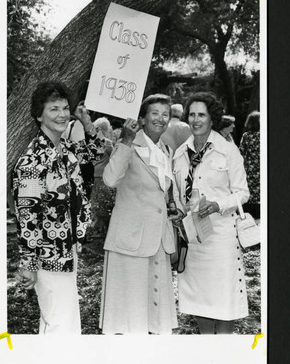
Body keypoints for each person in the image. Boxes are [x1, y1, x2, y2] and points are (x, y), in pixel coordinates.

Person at [12, 81, 105, 335]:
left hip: (68, 249)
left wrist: (86, 121)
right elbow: (27, 217)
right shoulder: (33, 160)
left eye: (65, 108)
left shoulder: (64, 150)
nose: (62, 114)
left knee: (56, 319)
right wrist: (28, 263)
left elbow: (98, 151)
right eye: (53, 109)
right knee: (61, 324)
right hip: (48, 256)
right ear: (38, 115)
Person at [100, 94, 183, 335]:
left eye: (165, 114)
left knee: (154, 315)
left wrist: (176, 208)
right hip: (131, 240)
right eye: (155, 113)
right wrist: (125, 141)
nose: (161, 118)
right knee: (130, 313)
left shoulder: (166, 149)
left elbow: (167, 191)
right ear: (143, 118)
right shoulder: (128, 143)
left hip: (158, 240)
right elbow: (110, 179)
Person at [173, 92, 250, 334]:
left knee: (223, 299)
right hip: (194, 239)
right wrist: (177, 210)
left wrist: (218, 204)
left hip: (220, 239)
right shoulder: (180, 154)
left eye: (202, 115)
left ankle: (225, 350)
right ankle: (207, 347)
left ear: (212, 118)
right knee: (199, 299)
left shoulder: (228, 151)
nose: (196, 120)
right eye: (192, 114)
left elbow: (243, 193)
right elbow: (177, 194)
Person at [90, 117, 116, 238]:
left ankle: (94, 230)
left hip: (91, 175)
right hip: (102, 177)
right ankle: (100, 231)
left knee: (94, 203)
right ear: (106, 129)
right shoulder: (107, 143)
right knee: (102, 204)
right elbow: (114, 158)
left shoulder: (91, 141)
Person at [239, 110, 260, 220]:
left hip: (249, 168)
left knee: (250, 190)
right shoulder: (263, 135)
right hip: (260, 167)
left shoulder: (246, 136)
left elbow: (241, 152)